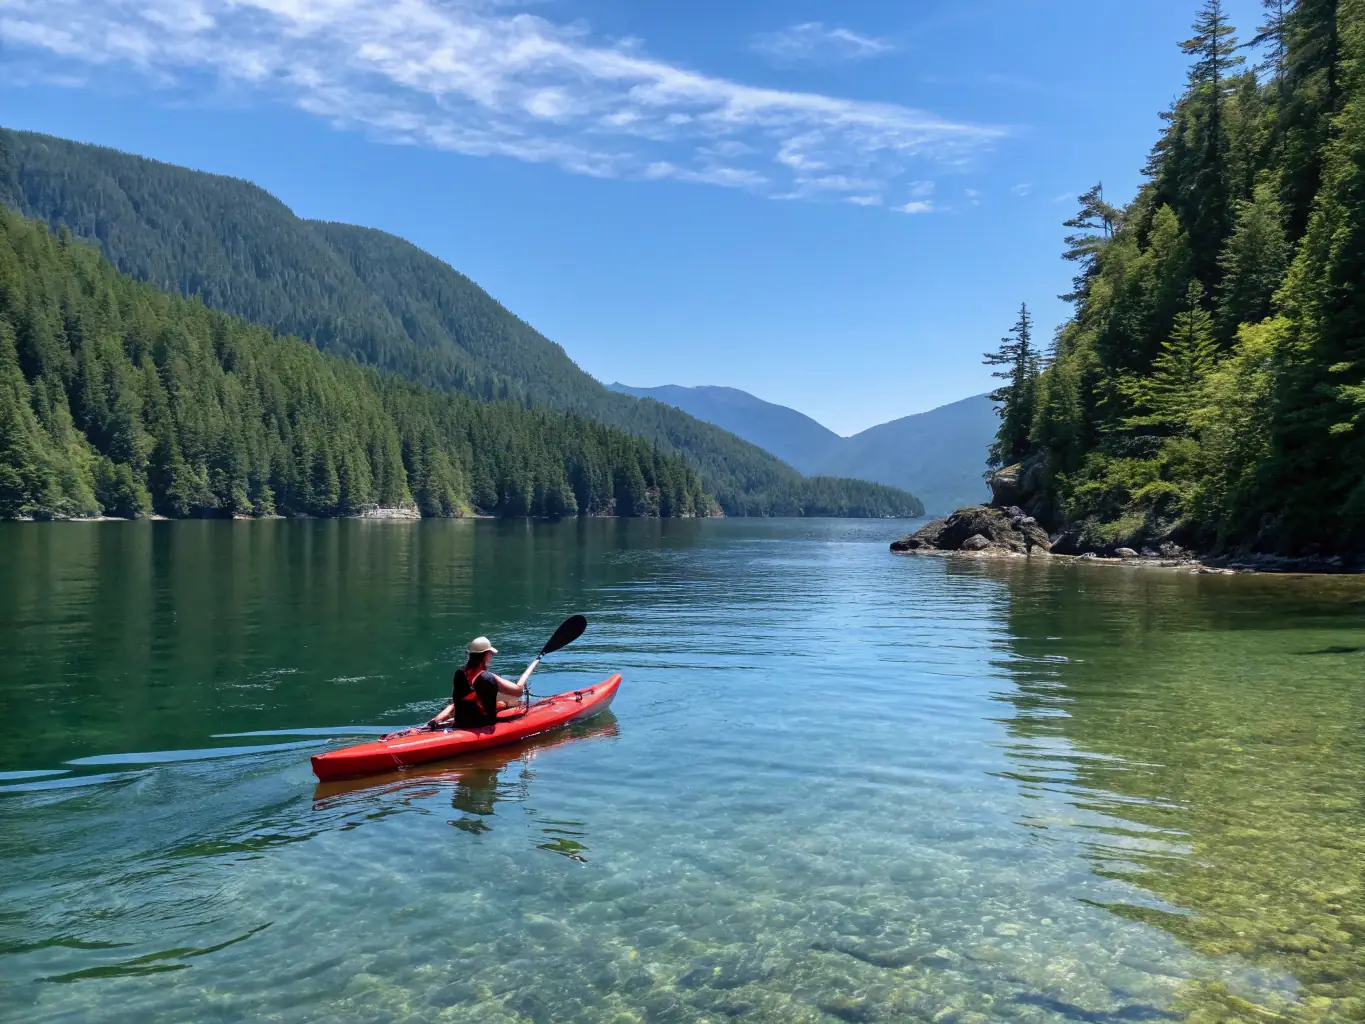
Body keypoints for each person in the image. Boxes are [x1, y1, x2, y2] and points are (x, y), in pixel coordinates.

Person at [428, 637, 525, 729]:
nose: (491, 657)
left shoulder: (459, 673)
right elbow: (518, 692)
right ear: (486, 655)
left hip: (461, 722)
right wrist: (519, 687)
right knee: (506, 703)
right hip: (482, 724)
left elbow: (460, 700)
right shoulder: (488, 677)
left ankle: (434, 722)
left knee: (459, 703)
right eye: (491, 654)